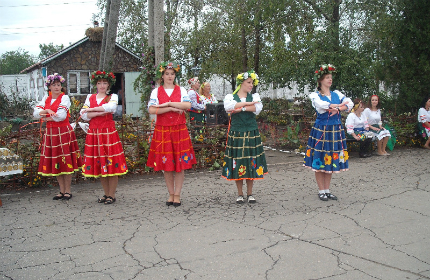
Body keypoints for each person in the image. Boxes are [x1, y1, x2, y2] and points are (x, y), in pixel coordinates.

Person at [147, 62, 197, 207]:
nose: (170, 76)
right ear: (162, 76)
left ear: (175, 75)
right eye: (167, 74)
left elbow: (188, 106)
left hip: (179, 129)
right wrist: (173, 107)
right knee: (166, 163)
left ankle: (177, 194)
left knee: (179, 163)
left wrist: (166, 105)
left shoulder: (181, 90)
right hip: (162, 129)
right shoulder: (156, 92)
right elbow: (151, 110)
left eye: (172, 74)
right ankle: (170, 194)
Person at [303, 64, 353, 201]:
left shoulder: (337, 94)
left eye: (330, 77)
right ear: (320, 81)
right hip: (322, 130)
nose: (330, 80)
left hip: (335, 129)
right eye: (327, 78)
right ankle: (321, 190)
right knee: (320, 159)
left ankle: (327, 190)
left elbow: (350, 103)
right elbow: (321, 106)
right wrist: (339, 107)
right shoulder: (315, 95)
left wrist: (338, 108)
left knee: (330, 159)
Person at [80, 70, 128, 205]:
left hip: (108, 133)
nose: (102, 85)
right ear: (96, 84)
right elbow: (83, 115)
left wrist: (91, 110)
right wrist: (95, 111)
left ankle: (112, 194)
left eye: (104, 83)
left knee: (111, 163)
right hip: (94, 132)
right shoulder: (90, 97)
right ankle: (106, 193)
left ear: (108, 85)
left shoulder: (112, 96)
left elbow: (111, 108)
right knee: (100, 163)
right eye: (99, 83)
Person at [33, 73, 83, 200]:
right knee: (56, 161)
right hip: (51, 133)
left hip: (63, 132)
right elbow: (35, 114)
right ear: (49, 87)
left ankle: (68, 190)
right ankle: (61, 190)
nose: (56, 87)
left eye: (59, 85)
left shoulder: (64, 98)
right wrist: (48, 111)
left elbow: (60, 116)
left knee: (66, 160)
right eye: (54, 85)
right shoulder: (46, 99)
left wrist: (45, 116)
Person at [222, 70, 268, 204]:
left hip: (251, 131)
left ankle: (250, 193)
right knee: (238, 162)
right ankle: (240, 194)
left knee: (251, 161)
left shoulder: (254, 96)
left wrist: (241, 108)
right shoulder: (230, 96)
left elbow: (257, 108)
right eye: (248, 82)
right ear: (241, 83)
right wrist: (248, 104)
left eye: (252, 83)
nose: (251, 85)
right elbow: (228, 107)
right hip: (236, 133)